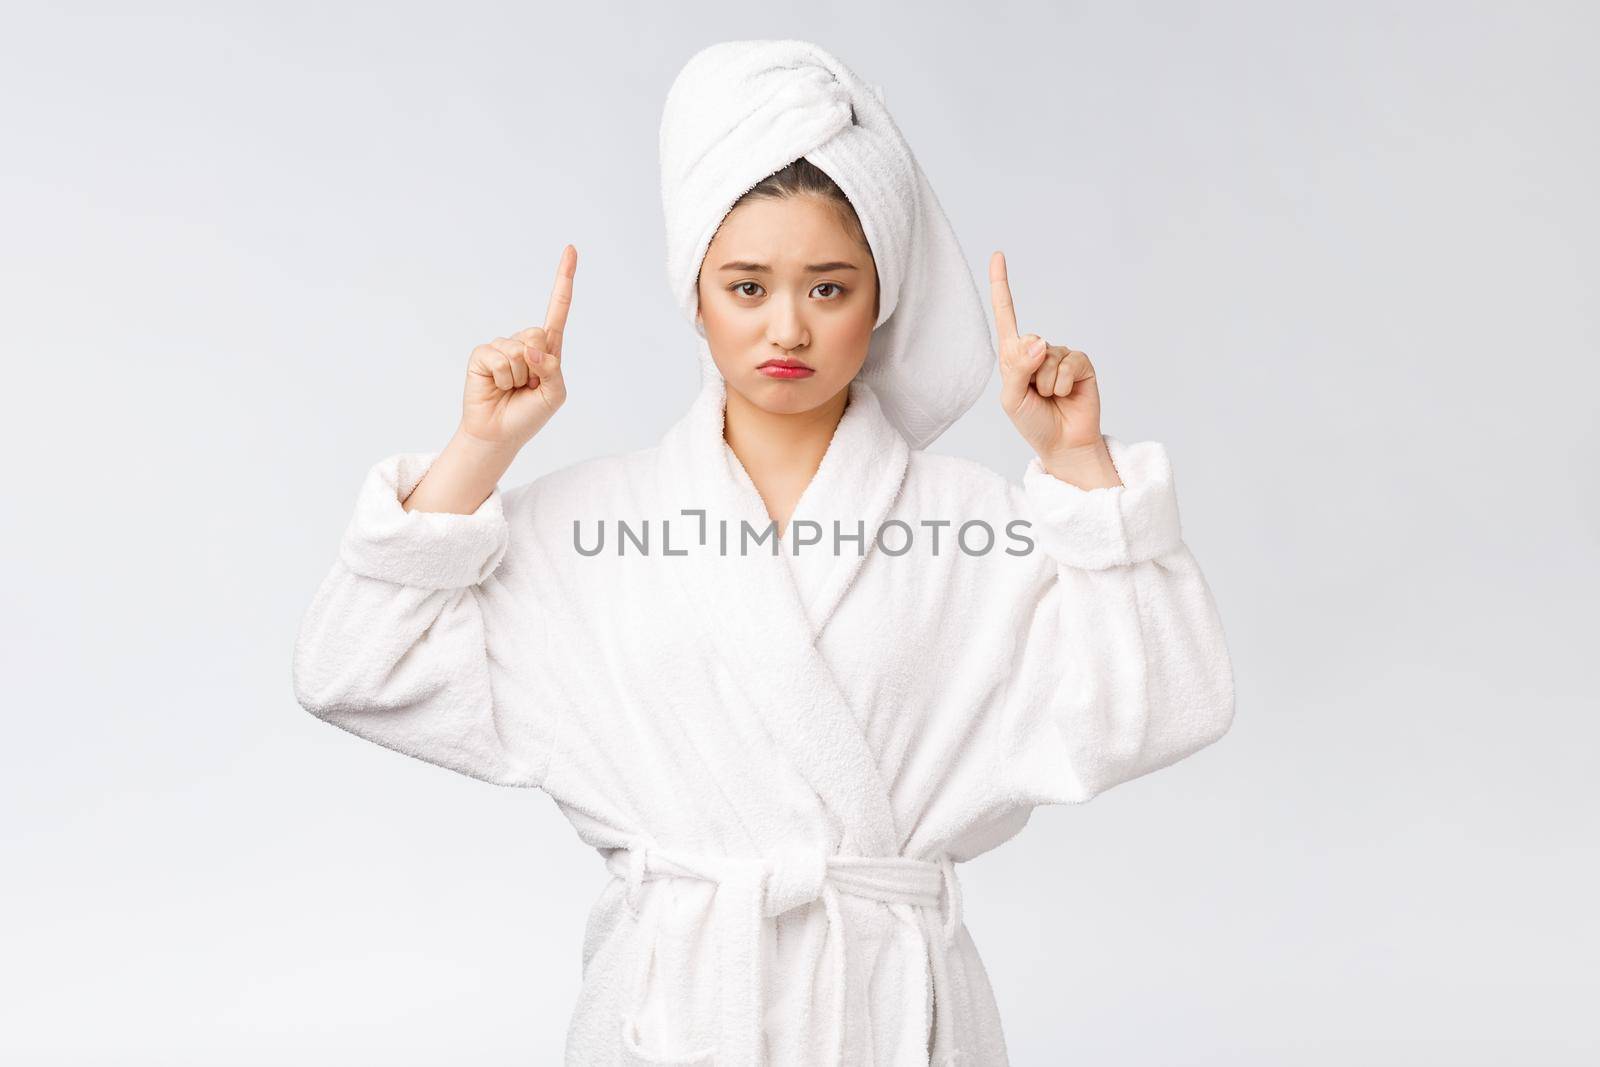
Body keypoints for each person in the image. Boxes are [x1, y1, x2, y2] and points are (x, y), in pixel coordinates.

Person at [293, 40, 1235, 1067]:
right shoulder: (587, 521)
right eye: (746, 286)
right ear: (693, 292)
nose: (786, 325)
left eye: (828, 288)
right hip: (672, 1013)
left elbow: (1162, 703)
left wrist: (1080, 465)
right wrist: (480, 451)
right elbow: (355, 668)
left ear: (879, 299)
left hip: (889, 1015)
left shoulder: (977, 523)